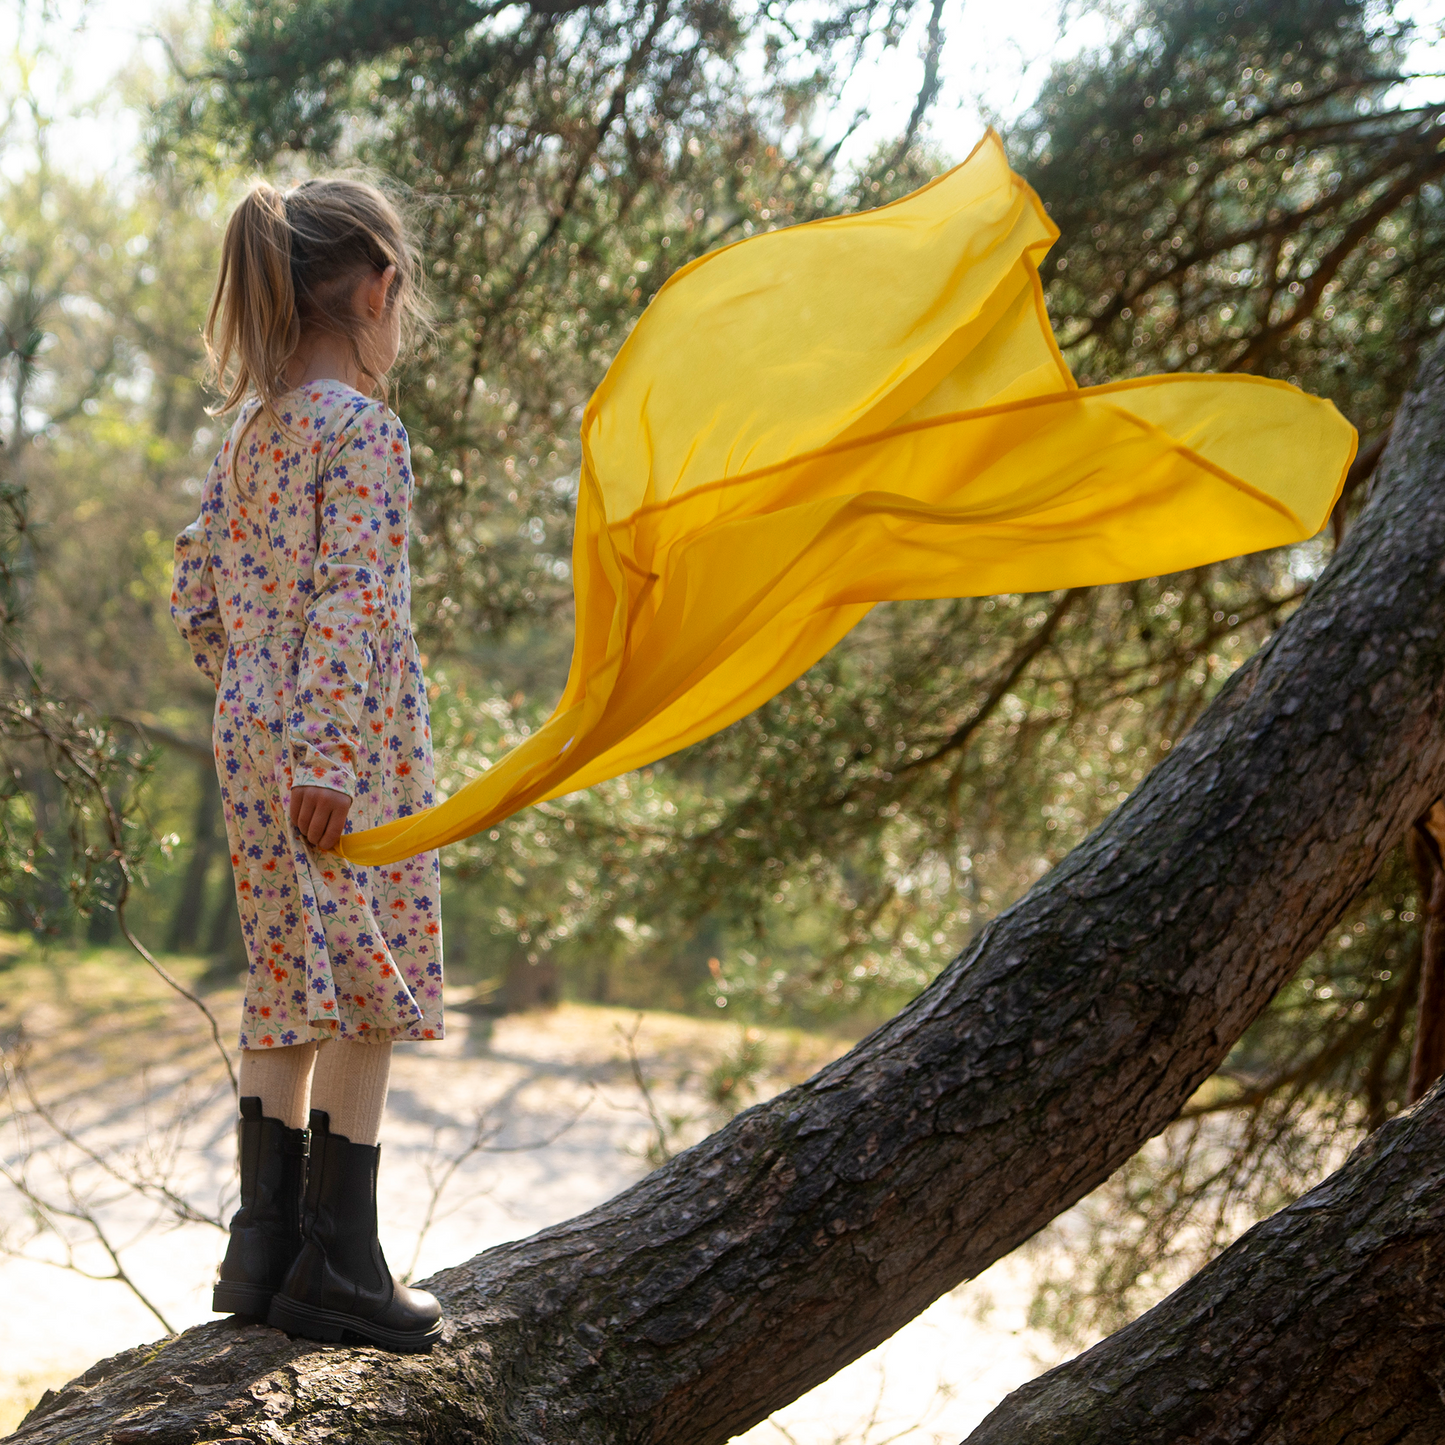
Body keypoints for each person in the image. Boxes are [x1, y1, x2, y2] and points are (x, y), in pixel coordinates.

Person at [171, 177, 445, 1353]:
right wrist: (329, 743)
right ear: (375, 288)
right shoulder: (364, 432)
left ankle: (262, 1244)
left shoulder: (250, 437)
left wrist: (251, 688)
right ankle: (342, 1258)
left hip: (251, 728)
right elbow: (357, 596)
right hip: (347, 748)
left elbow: (193, 593)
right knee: (369, 984)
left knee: (285, 977)